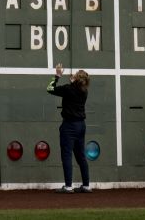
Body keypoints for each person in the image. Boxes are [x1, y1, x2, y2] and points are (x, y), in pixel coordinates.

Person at [47, 63, 91, 193]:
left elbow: (50, 88)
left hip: (69, 125)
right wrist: (73, 82)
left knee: (66, 155)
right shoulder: (84, 91)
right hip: (81, 125)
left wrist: (57, 75)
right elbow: (76, 89)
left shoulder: (68, 89)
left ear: (76, 79)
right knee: (81, 156)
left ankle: (68, 186)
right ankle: (86, 185)